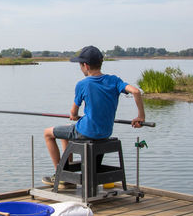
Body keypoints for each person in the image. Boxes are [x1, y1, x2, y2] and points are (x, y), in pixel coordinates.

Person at [42, 45, 145, 187]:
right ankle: (66, 174)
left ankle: (60, 176)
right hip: (105, 132)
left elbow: (73, 113)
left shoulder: (83, 84)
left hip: (86, 132)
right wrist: (140, 117)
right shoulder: (114, 80)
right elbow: (136, 92)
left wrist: (74, 116)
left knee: (48, 133)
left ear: (85, 65)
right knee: (66, 131)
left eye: (80, 65)